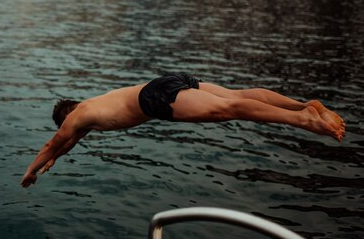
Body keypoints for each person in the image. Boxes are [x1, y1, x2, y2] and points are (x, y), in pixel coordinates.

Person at [21, 72, 345, 188]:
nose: (68, 130)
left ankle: (304, 121)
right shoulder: (91, 108)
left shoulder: (76, 118)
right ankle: (303, 105)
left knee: (229, 110)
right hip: (167, 81)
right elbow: (69, 142)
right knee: (238, 96)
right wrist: (54, 161)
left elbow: (56, 141)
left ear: (66, 116)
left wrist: (32, 170)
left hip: (155, 99)